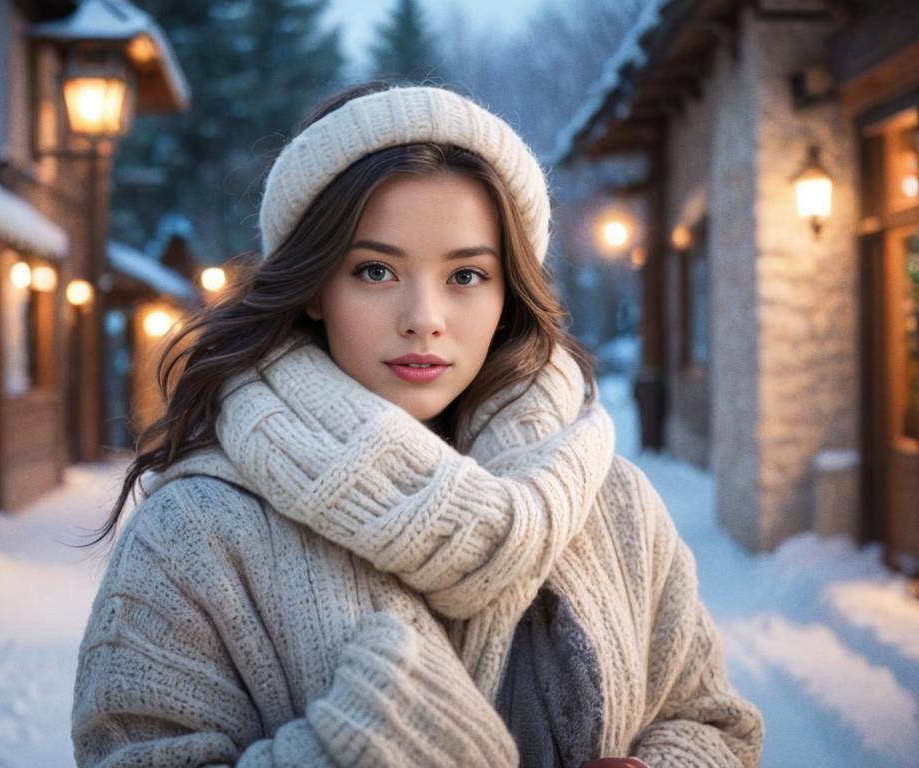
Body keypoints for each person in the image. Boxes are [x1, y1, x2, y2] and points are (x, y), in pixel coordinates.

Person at [72, 82, 763, 768]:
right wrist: (363, 751)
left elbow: (710, 722)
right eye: (375, 271)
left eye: (466, 276)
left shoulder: (612, 505)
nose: (423, 318)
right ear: (314, 287)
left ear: (507, 293)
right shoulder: (195, 532)